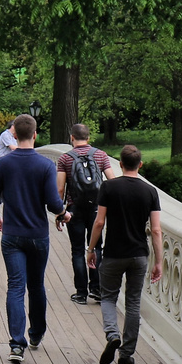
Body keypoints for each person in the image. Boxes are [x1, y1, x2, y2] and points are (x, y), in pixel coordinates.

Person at [0, 114, 70, 364]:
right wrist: (64, 214)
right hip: (37, 235)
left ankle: (16, 344)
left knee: (15, 286)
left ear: (14, 134)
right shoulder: (45, 165)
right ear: (35, 135)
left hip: (12, 235)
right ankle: (35, 334)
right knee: (36, 286)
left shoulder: (3, 164)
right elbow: (53, 203)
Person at [87, 144, 163, 364]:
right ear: (140, 164)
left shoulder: (109, 187)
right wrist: (159, 262)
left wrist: (91, 249)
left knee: (109, 297)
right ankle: (126, 354)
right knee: (133, 302)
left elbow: (99, 222)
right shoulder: (150, 191)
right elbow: (156, 230)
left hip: (113, 253)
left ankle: (112, 335)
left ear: (119, 164)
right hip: (139, 254)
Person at [56, 124, 116, 306]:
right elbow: (112, 181)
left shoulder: (65, 158)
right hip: (96, 209)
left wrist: (60, 213)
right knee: (96, 247)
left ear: (71, 137)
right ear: (88, 138)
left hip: (74, 209)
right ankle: (97, 289)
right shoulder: (100, 155)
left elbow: (60, 188)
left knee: (77, 250)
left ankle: (81, 293)